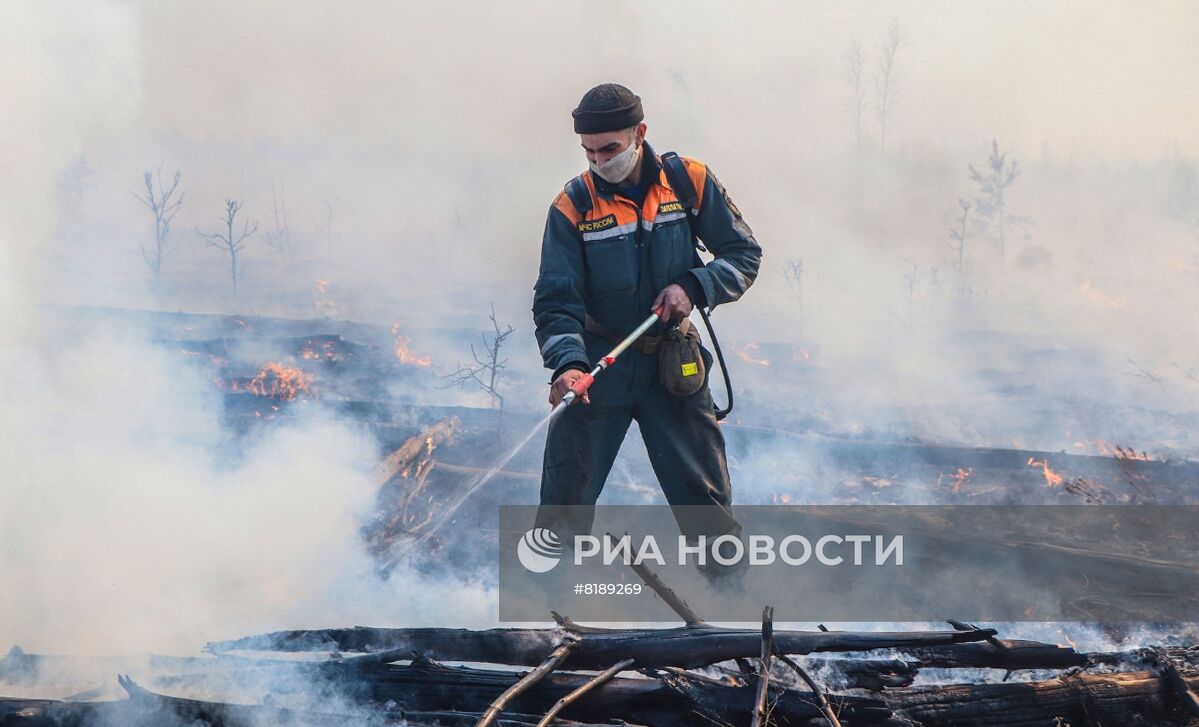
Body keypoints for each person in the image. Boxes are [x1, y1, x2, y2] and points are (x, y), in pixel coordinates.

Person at [532, 83, 761, 547]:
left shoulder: (688, 180)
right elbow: (556, 300)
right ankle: (549, 611)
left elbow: (743, 254)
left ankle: (734, 605)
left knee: (706, 508)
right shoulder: (573, 205)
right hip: (599, 368)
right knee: (563, 504)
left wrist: (694, 286)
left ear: (640, 132)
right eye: (589, 152)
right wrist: (569, 365)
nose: (599, 162)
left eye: (610, 148)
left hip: (674, 363)